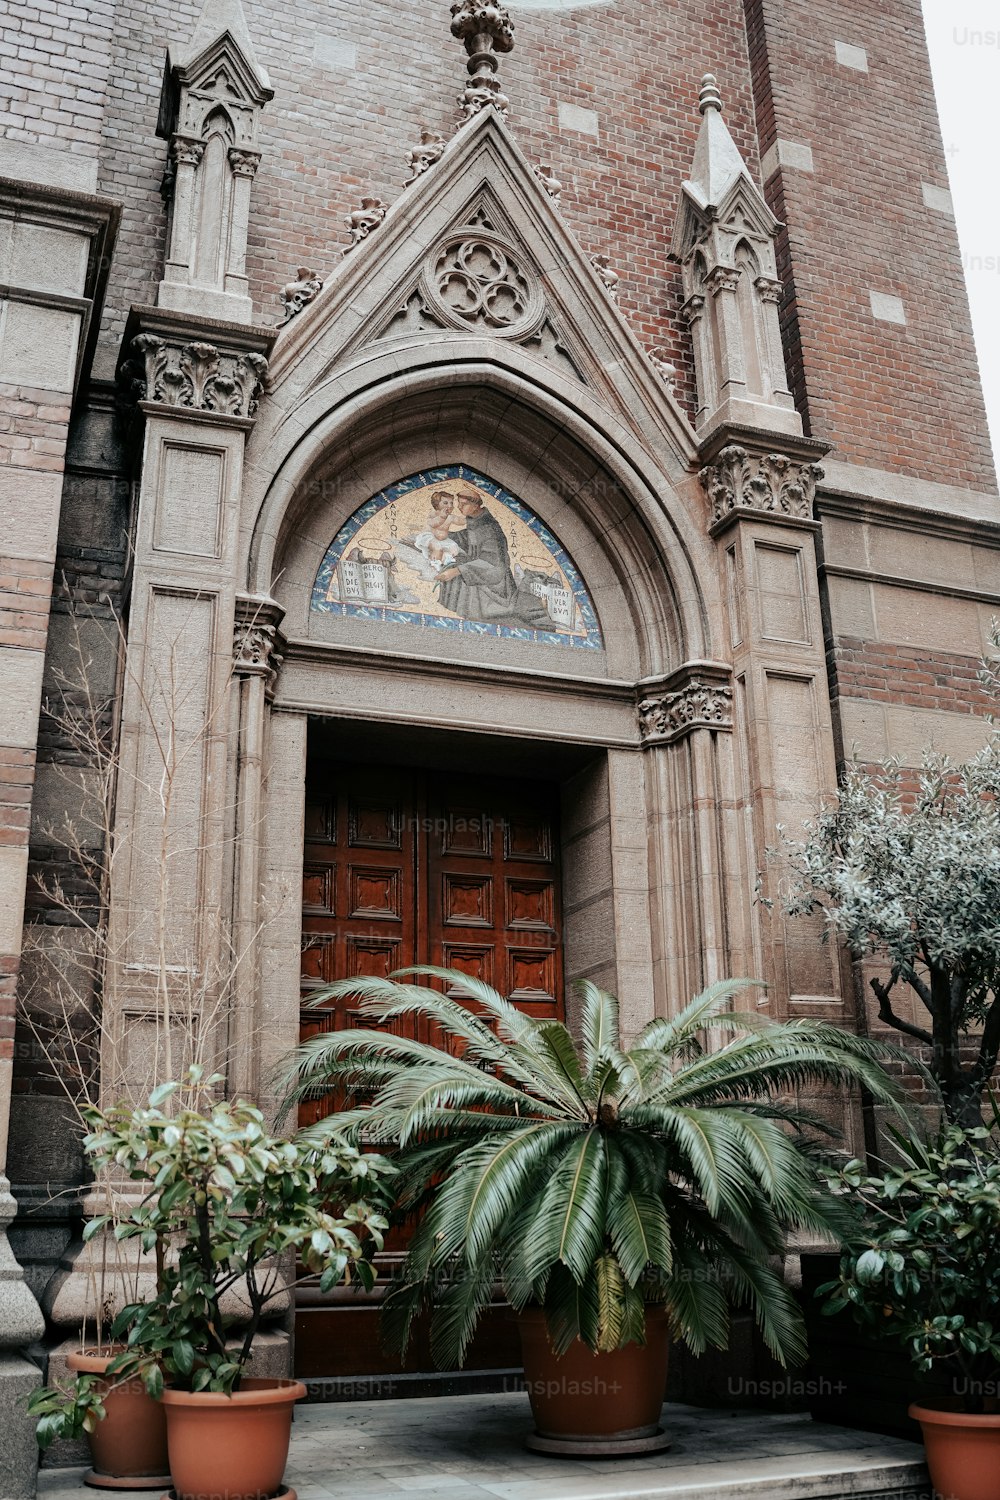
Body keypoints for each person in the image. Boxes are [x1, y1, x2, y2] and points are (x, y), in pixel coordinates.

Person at [436, 486, 550, 628]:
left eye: (463, 504)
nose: (459, 507)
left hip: (494, 582)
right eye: (458, 503)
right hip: (478, 570)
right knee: (451, 564)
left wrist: (458, 571)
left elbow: (493, 564)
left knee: (456, 573)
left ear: (476, 505)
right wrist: (442, 537)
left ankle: (534, 603)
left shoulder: (490, 528)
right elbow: (469, 539)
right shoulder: (476, 521)